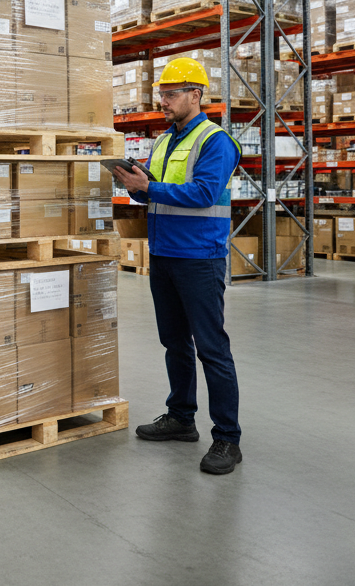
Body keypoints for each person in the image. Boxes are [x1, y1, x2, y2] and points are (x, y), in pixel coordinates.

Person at [110, 56, 244, 475]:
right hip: (165, 255)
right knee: (174, 342)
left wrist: (151, 186)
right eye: (162, 95)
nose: (163, 102)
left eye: (170, 94)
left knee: (212, 349)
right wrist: (136, 186)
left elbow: (203, 193)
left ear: (195, 95)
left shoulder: (215, 141)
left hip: (200, 258)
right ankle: (182, 418)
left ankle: (227, 438)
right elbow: (161, 194)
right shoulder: (166, 140)